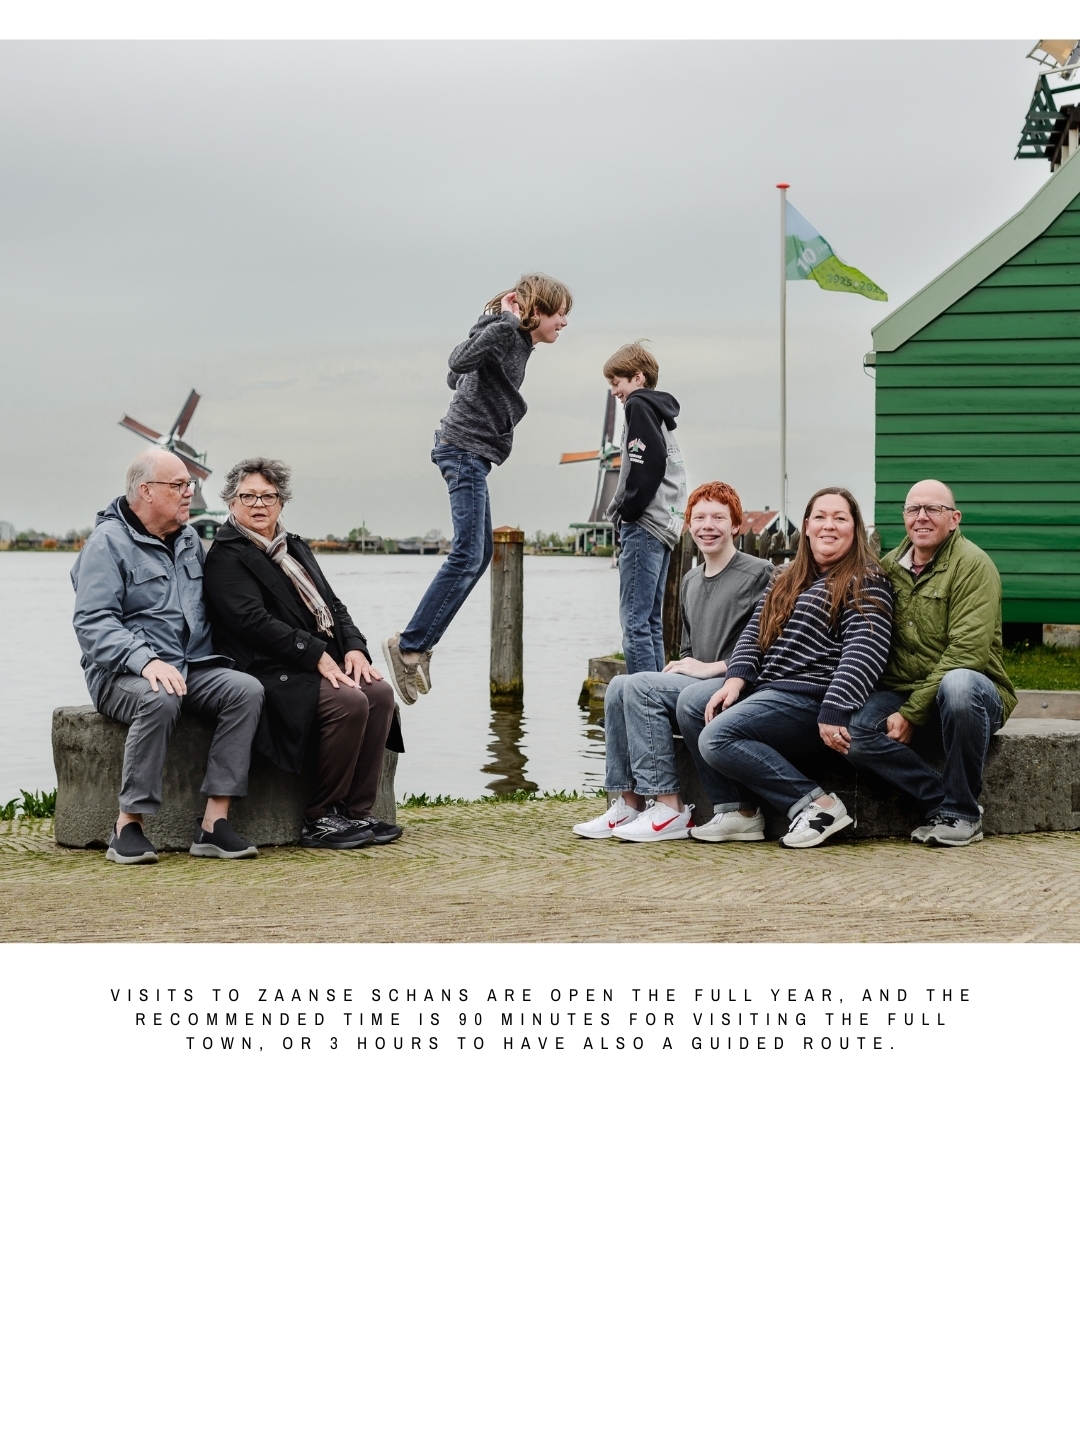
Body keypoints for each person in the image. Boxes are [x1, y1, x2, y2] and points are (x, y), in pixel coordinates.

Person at [382, 273, 573, 705]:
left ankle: (418, 645)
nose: (564, 322)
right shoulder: (508, 335)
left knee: (481, 554)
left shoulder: (517, 344)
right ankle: (409, 647)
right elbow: (458, 361)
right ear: (536, 311)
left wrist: (490, 322)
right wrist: (501, 322)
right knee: (468, 553)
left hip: (471, 454)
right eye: (560, 313)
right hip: (463, 450)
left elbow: (457, 378)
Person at [71, 450, 264, 865]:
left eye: (189, 485)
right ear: (146, 491)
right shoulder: (106, 544)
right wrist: (145, 661)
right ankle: (128, 824)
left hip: (190, 664)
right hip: (121, 673)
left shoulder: (190, 539)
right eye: (178, 485)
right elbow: (92, 622)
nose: (189, 493)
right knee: (159, 696)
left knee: (246, 690)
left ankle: (214, 823)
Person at [203, 458, 403, 850]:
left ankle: (357, 811)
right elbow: (251, 622)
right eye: (248, 496)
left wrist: (356, 650)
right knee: (348, 701)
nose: (259, 504)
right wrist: (314, 654)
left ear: (281, 502)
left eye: (268, 496)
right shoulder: (225, 555)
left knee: (378, 694)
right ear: (231, 501)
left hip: (310, 660)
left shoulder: (293, 546)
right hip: (267, 668)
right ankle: (321, 818)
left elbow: (334, 605)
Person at [679, 488, 894, 849]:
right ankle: (738, 811)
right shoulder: (786, 576)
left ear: (854, 528)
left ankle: (819, 805)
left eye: (840, 518)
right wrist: (734, 680)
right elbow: (753, 633)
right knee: (691, 704)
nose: (829, 526)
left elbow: (864, 651)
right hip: (772, 689)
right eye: (820, 517)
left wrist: (836, 709)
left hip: (814, 698)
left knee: (717, 738)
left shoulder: (865, 579)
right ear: (806, 527)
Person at [574, 482, 772, 841]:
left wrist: (715, 668)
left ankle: (670, 809)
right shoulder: (690, 580)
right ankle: (629, 803)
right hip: (698, 680)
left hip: (736, 683)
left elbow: (769, 644)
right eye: (699, 517)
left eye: (718, 518)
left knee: (640, 685)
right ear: (688, 524)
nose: (707, 526)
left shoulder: (760, 573)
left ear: (736, 525)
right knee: (620, 684)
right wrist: (685, 664)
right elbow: (686, 647)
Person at [843, 479, 1017, 847]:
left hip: (974, 697)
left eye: (933, 509)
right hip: (906, 692)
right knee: (855, 735)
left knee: (958, 683)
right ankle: (943, 802)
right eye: (913, 509)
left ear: (954, 519)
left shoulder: (974, 566)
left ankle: (964, 813)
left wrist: (910, 714)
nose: (921, 517)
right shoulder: (888, 568)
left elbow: (967, 653)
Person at [603, 341, 688, 674]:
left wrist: (628, 510)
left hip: (644, 524)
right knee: (651, 619)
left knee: (634, 622)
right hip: (664, 525)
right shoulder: (658, 411)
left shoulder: (637, 405)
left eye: (616, 382)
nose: (615, 391)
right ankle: (659, 694)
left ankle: (642, 699)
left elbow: (646, 461)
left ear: (637, 377)